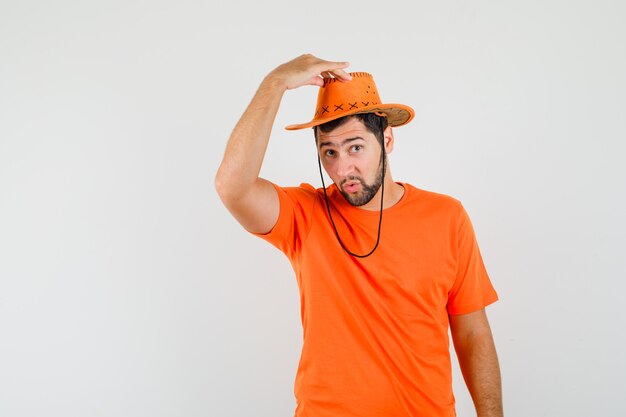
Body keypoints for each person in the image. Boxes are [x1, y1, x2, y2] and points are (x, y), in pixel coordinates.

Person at [215, 54, 503, 417]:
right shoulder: (305, 215)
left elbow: (472, 332)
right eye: (329, 152)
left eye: (355, 147)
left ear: (387, 139)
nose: (343, 168)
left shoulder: (447, 217)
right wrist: (276, 82)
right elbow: (232, 187)